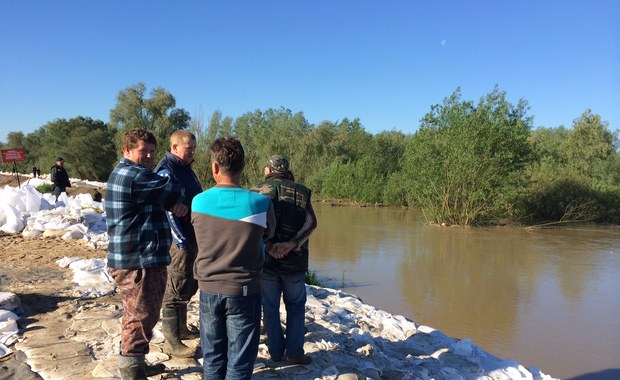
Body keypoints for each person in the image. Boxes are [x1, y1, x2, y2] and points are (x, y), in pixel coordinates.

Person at [105, 128, 188, 380]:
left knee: (140, 315)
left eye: (152, 151)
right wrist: (171, 198)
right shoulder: (133, 175)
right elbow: (174, 186)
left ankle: (136, 364)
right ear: (127, 150)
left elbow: (162, 194)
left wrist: (167, 201)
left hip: (137, 257)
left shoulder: (135, 177)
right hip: (138, 260)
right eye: (144, 151)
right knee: (139, 317)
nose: (150, 156)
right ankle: (132, 373)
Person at [192, 137, 275, 380]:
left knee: (213, 356)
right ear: (243, 167)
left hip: (208, 288)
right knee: (239, 360)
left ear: (215, 167)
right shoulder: (261, 202)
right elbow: (269, 233)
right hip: (244, 290)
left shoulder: (198, 201)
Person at [251, 155, 318, 365]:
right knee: (296, 306)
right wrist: (291, 244)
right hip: (294, 261)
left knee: (269, 306)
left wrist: (268, 246)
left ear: (267, 171)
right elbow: (311, 223)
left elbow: (251, 225)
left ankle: (276, 351)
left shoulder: (254, 190)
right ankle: (295, 352)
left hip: (266, 261)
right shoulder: (301, 191)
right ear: (287, 171)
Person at [154, 130, 203, 358]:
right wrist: (181, 240)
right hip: (179, 240)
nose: (192, 151)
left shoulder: (185, 169)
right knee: (175, 285)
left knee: (186, 283)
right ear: (174, 147)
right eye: (187, 148)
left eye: (193, 147)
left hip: (190, 236)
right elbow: (164, 205)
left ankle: (182, 329)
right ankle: (172, 341)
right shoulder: (167, 169)